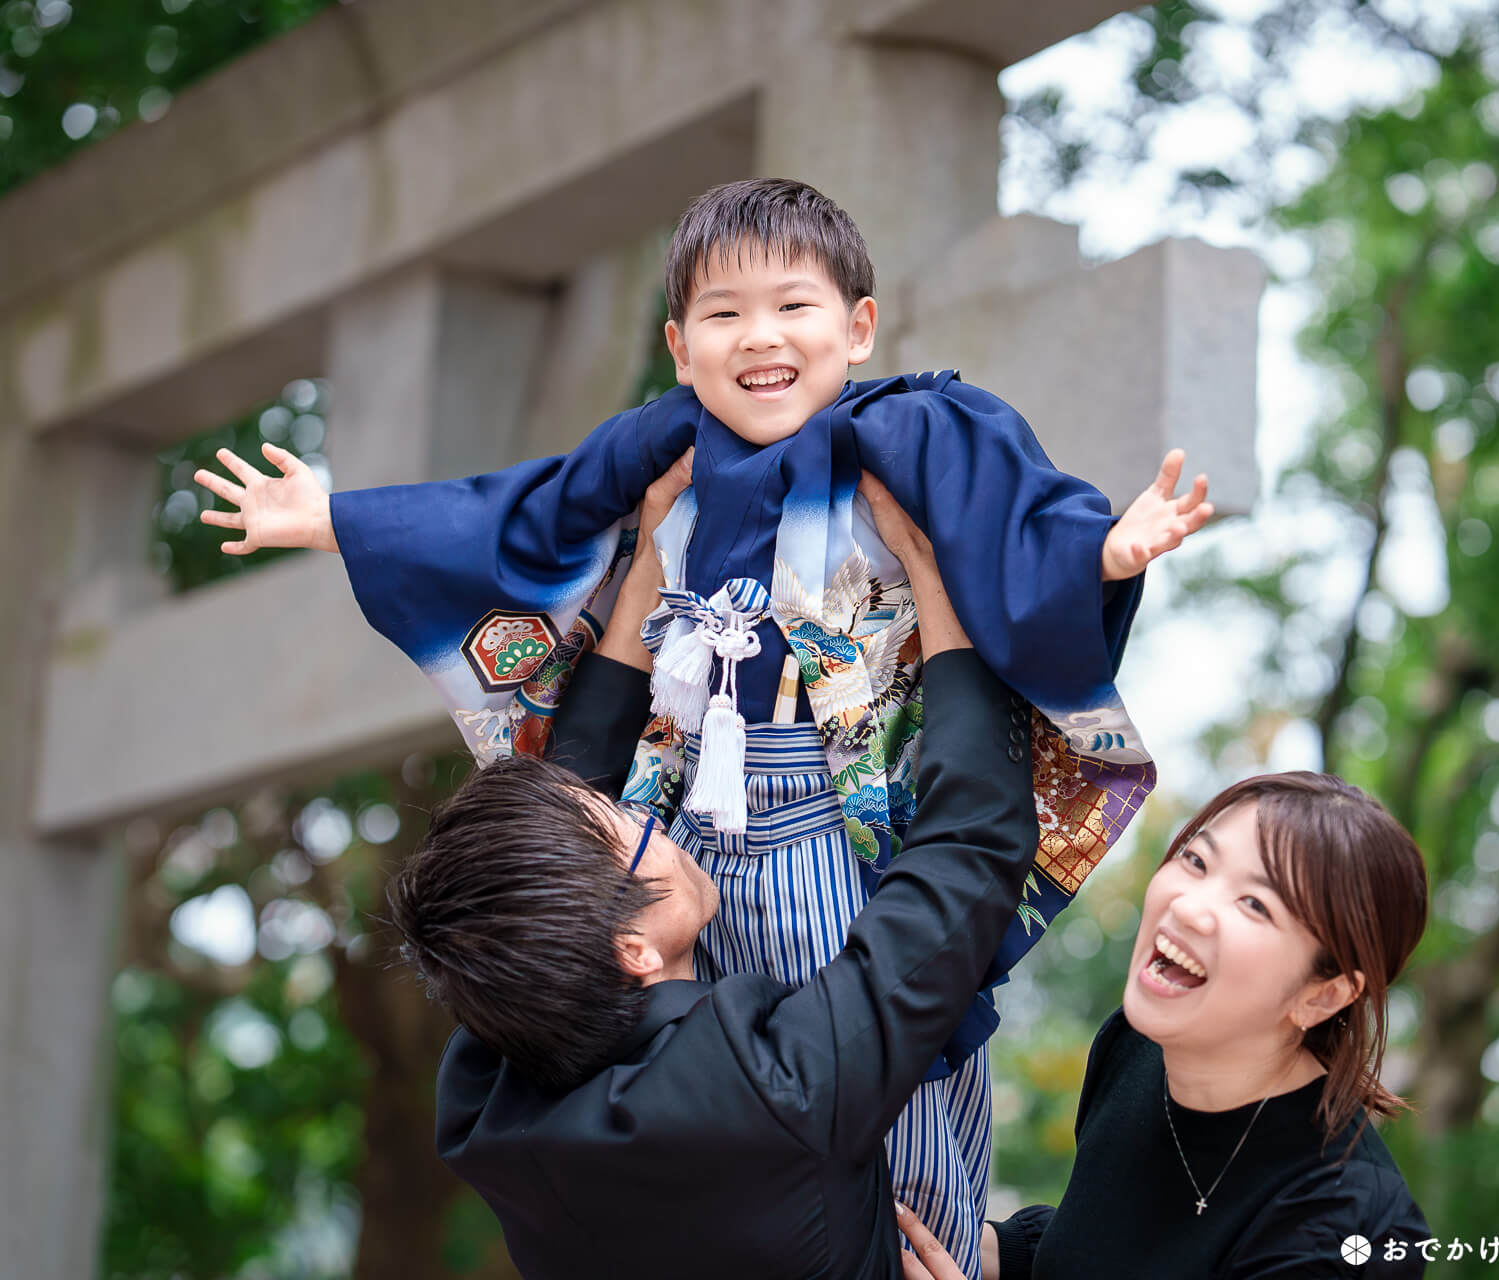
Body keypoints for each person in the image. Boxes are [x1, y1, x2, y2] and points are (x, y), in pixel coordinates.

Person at [195, 177, 1212, 1274]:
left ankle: (937, 1244)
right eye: (723, 315)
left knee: (900, 1052)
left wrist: (1103, 549)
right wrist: (336, 517)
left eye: (794, 307)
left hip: (833, 801)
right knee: (727, 1032)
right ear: (679, 345)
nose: (759, 339)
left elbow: (1013, 517)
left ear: (859, 325)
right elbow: (521, 510)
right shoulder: (664, 440)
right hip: (683, 804)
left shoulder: (915, 427)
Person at [386, 467, 1043, 1278]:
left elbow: (565, 830)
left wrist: (650, 571)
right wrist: (942, 588)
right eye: (635, 831)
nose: (647, 816)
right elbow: (969, 855)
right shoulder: (766, 1091)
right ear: (632, 951)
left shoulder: (488, 1096)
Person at [895, 772, 1432, 1280]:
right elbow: (1098, 1245)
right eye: (1197, 861)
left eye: (1254, 903)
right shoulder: (1138, 1045)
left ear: (1323, 995)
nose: (1191, 907)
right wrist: (984, 1249)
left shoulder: (1351, 1226)